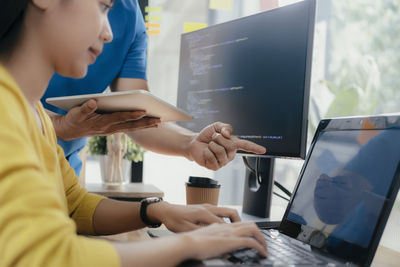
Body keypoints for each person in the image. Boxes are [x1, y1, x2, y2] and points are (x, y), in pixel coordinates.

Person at [0, 1, 267, 266]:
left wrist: (155, 209)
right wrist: (192, 245)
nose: (109, 34)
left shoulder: (31, 113)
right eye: (103, 7)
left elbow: (73, 204)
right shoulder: (7, 109)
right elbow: (47, 257)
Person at [41, 0, 266, 176]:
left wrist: (190, 143)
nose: (107, 34)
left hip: (59, 173)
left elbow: (135, 116)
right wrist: (59, 126)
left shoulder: (131, 18)